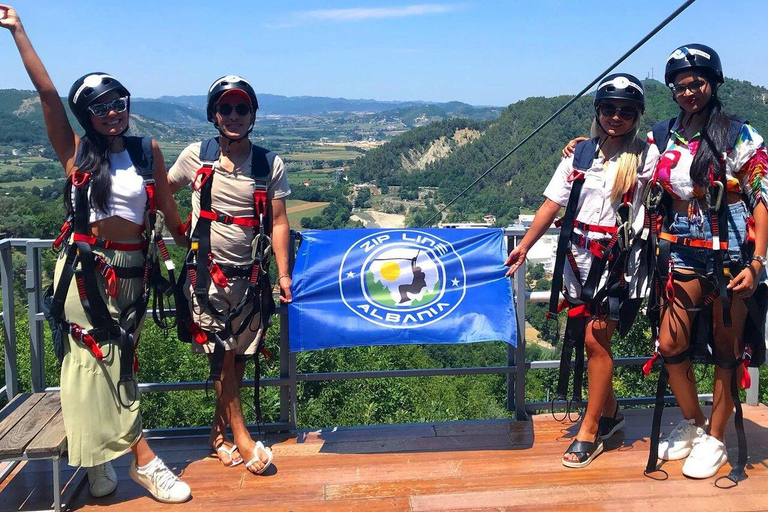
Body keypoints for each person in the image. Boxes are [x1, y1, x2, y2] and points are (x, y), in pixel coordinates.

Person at [0, 5, 191, 503]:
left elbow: (170, 215)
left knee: (118, 364)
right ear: (87, 115)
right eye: (101, 107)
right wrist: (19, 31)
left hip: (133, 275)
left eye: (118, 101)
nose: (113, 112)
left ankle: (96, 461)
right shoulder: (76, 151)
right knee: (95, 364)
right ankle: (145, 462)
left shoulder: (148, 151)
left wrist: (199, 253)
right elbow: (46, 96)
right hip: (87, 273)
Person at [505, 73, 659, 468]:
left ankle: (589, 430)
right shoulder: (580, 155)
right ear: (598, 111)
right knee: (587, 338)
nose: (616, 117)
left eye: (626, 111)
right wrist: (524, 246)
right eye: (609, 109)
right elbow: (551, 206)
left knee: (594, 342)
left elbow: (674, 174)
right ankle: (612, 414)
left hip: (617, 263)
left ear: (637, 115)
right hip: (576, 261)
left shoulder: (645, 157)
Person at [642, 44, 767, 480]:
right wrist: (587, 143)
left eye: (696, 82)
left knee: (726, 345)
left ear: (712, 82)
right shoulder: (664, 133)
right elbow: (634, 168)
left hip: (730, 247)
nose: (688, 91)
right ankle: (693, 421)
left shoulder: (737, 133)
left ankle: (715, 435)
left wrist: (757, 261)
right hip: (679, 246)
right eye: (680, 85)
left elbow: (762, 196)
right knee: (671, 342)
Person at [168, 75, 292, 475]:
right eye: (226, 108)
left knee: (236, 362)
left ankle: (216, 438)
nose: (234, 116)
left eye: (242, 108)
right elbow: (159, 189)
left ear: (253, 114)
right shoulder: (195, 157)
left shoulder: (268, 164)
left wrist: (284, 275)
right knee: (223, 357)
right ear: (213, 114)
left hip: (250, 280)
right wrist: (169, 233)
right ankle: (240, 434)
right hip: (205, 278)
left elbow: (278, 222)